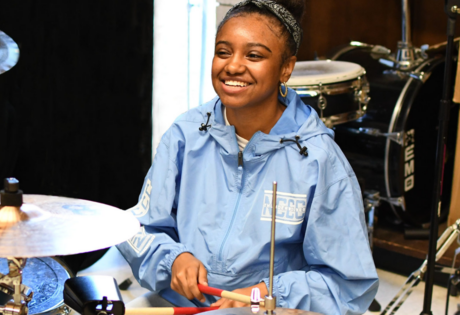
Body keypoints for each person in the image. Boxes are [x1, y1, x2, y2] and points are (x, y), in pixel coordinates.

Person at [117, 1, 379, 314]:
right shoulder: (185, 135)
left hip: (268, 309)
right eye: (223, 51)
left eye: (253, 55)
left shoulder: (319, 160)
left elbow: (348, 284)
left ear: (286, 68)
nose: (233, 66)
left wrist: (271, 292)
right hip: (183, 304)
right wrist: (174, 258)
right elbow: (138, 228)